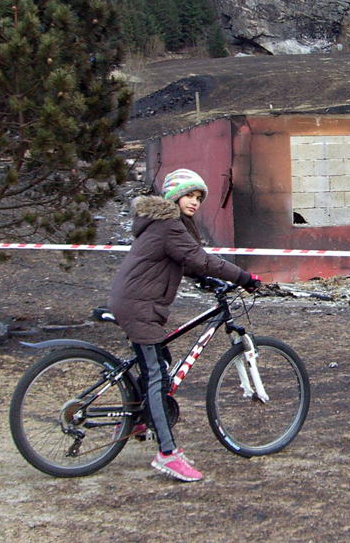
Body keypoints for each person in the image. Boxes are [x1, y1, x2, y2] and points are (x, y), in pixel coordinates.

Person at [108, 168, 261, 482]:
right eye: (189, 195)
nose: (194, 201)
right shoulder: (169, 225)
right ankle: (167, 454)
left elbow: (186, 261)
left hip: (136, 301)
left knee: (159, 360)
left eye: (199, 197)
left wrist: (207, 281)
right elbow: (199, 258)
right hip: (139, 305)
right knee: (155, 375)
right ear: (174, 196)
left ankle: (139, 418)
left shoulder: (168, 226)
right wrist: (243, 277)